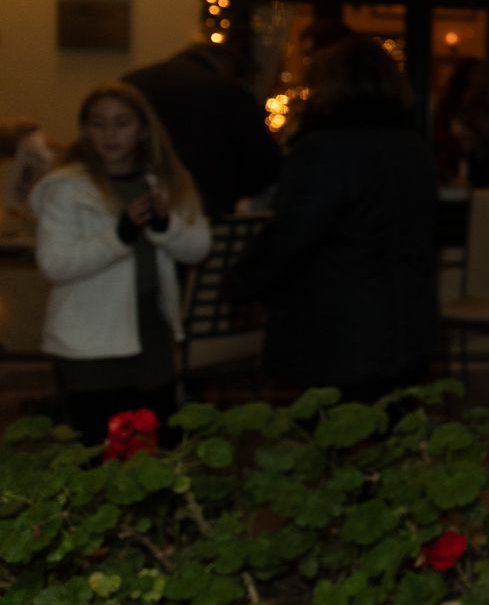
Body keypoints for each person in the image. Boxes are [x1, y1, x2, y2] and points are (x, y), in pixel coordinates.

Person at [226, 36, 437, 402]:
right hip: (409, 325)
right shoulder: (414, 147)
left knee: (331, 431)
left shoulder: (325, 151)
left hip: (340, 333)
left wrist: (239, 285)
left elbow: (291, 235)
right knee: (394, 428)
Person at [30, 83, 210, 444]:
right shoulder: (67, 188)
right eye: (98, 124)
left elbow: (198, 249)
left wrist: (166, 227)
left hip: (151, 334)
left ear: (142, 129)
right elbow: (54, 264)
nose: (109, 134)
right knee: (99, 448)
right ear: (85, 130)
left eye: (121, 123)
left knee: (162, 445)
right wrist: (118, 237)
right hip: (90, 343)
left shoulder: (163, 183)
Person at [123, 40, 281, 218]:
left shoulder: (132, 83)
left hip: (134, 201)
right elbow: (263, 163)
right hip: (204, 207)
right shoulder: (227, 90)